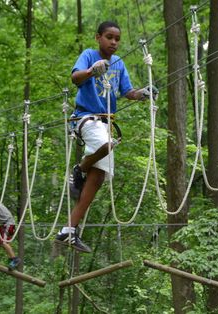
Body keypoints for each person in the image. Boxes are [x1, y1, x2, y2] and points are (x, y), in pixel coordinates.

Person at [54, 21, 157, 253]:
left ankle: (68, 231)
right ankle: (79, 169)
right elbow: (75, 78)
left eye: (117, 39)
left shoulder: (119, 64)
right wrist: (92, 71)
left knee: (99, 177)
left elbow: (127, 92)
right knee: (105, 144)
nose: (114, 42)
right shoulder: (89, 55)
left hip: (105, 123)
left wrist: (144, 94)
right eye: (109, 37)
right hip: (87, 118)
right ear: (98, 37)